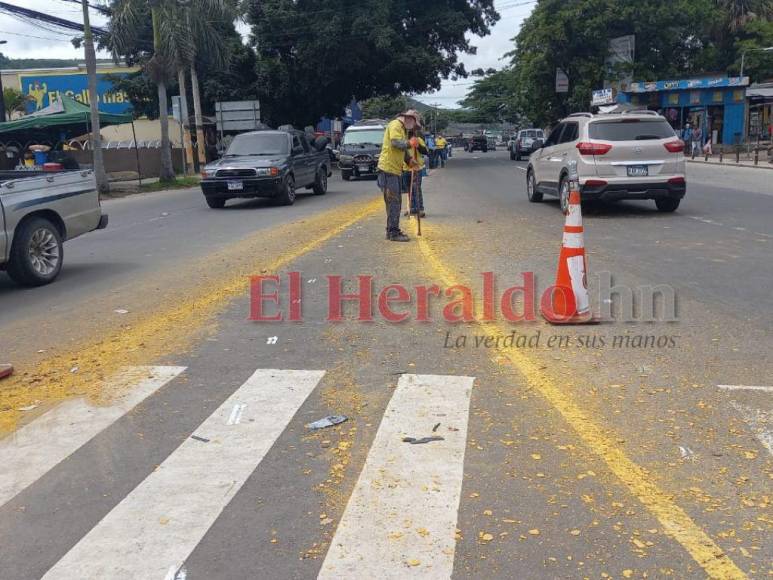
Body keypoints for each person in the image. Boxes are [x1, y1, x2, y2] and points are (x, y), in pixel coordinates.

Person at [377, 110, 420, 242]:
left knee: (394, 202)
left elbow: (401, 149)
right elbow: (395, 143)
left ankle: (392, 230)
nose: (413, 127)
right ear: (409, 119)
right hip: (388, 170)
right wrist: (410, 143)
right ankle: (393, 232)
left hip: (394, 170)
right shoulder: (395, 125)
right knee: (394, 202)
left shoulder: (401, 128)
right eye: (414, 124)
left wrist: (409, 160)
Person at [403, 126, 429, 218]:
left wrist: (418, 145)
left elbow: (425, 151)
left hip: (416, 168)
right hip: (406, 168)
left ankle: (420, 209)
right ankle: (411, 208)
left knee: (416, 188)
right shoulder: (403, 141)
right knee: (408, 189)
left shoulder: (418, 140)